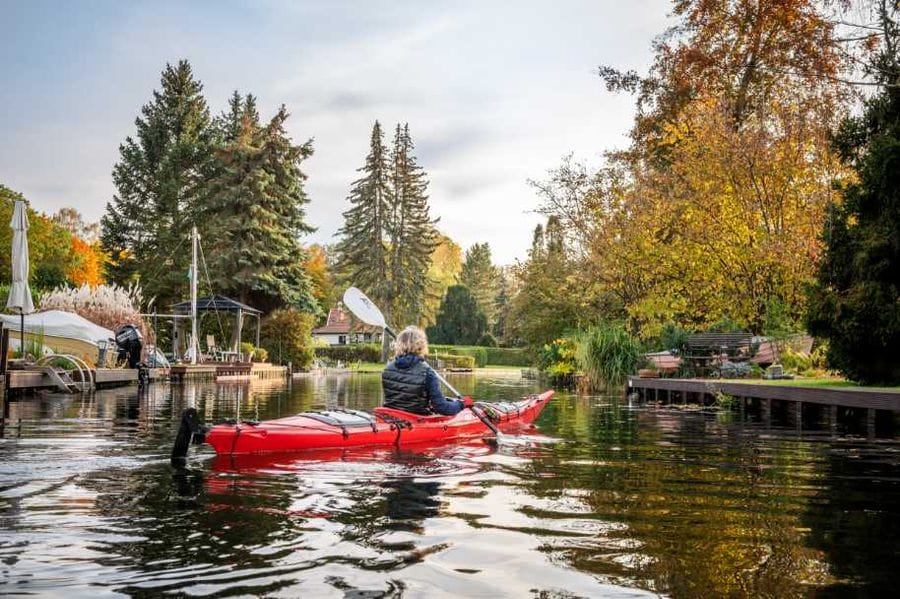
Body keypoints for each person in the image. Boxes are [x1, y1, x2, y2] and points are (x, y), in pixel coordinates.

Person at [382, 326, 472, 415]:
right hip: (417, 420)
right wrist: (461, 404)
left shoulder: (387, 370)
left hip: (391, 417)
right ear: (421, 346)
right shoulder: (428, 373)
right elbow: (442, 408)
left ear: (398, 345)